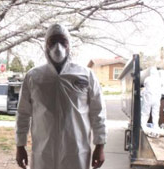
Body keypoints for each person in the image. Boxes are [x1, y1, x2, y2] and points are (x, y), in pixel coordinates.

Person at [15, 24, 107, 169]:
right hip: (44, 152)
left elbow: (98, 112)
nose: (58, 46)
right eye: (52, 41)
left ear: (69, 45)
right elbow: (23, 114)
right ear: (46, 45)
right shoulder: (34, 77)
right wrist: (20, 146)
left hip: (77, 152)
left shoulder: (85, 75)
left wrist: (100, 146)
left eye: (62, 41)